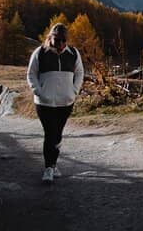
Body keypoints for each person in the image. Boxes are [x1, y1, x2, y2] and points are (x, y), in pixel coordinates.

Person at [26, 22, 84, 184]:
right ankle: (48, 168)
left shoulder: (73, 53)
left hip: (66, 102)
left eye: (64, 40)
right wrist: (39, 92)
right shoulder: (40, 53)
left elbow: (79, 72)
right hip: (44, 103)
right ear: (50, 38)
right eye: (57, 40)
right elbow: (31, 74)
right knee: (50, 134)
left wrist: (74, 91)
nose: (61, 44)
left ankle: (53, 164)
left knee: (57, 134)